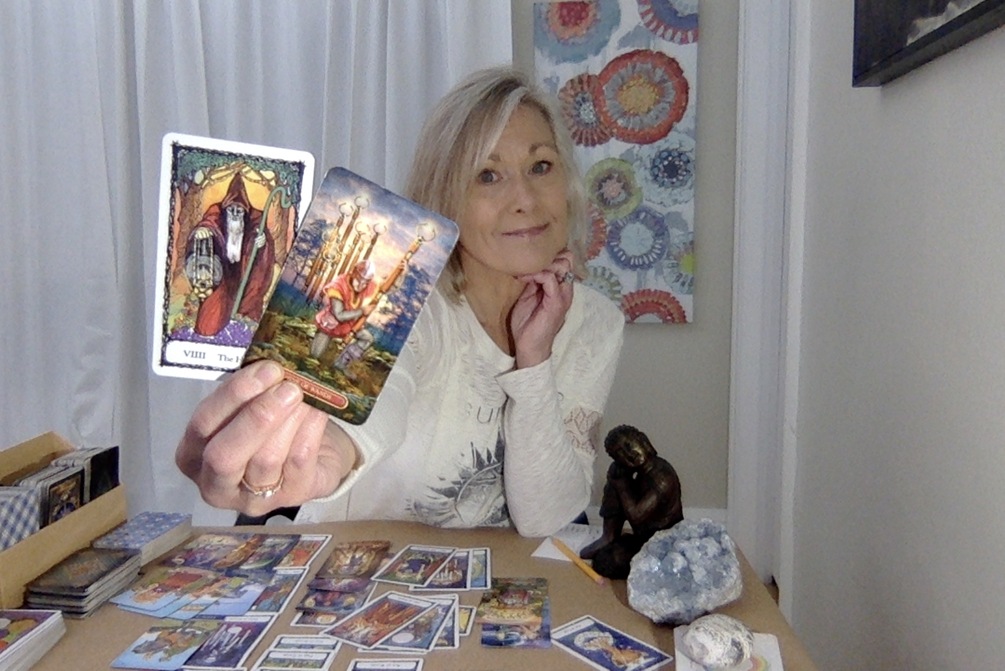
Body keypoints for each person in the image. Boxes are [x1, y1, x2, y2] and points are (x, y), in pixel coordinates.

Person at [175, 66, 625, 538]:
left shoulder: (597, 322)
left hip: (501, 576)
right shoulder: (404, 297)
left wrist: (534, 362)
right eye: (488, 175)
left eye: (541, 166)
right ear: (447, 196)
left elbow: (547, 519)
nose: (525, 200)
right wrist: (331, 453)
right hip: (350, 563)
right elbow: (380, 398)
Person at [579, 425, 683, 578]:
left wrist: (622, 485)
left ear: (643, 441)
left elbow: (636, 516)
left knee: (610, 561)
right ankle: (609, 536)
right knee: (616, 475)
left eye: (629, 445)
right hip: (642, 534)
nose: (629, 454)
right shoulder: (640, 472)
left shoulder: (662, 477)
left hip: (664, 542)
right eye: (619, 454)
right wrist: (617, 478)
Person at [184, 172, 276, 337]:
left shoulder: (256, 218)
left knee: (247, 309)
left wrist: (262, 243)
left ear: (245, 212)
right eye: (231, 209)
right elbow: (209, 223)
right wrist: (203, 230)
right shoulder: (216, 212)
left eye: (239, 210)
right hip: (223, 273)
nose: (234, 213)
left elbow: (263, 239)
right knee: (212, 315)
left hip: (244, 273)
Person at [310, 259, 380, 358]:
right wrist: (362, 311)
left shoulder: (369, 285)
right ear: (353, 274)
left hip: (350, 327)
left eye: (365, 283)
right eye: (359, 281)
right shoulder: (338, 285)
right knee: (315, 355)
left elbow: (383, 287)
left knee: (367, 338)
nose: (361, 286)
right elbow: (339, 315)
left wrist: (400, 271)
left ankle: (341, 363)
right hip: (331, 326)